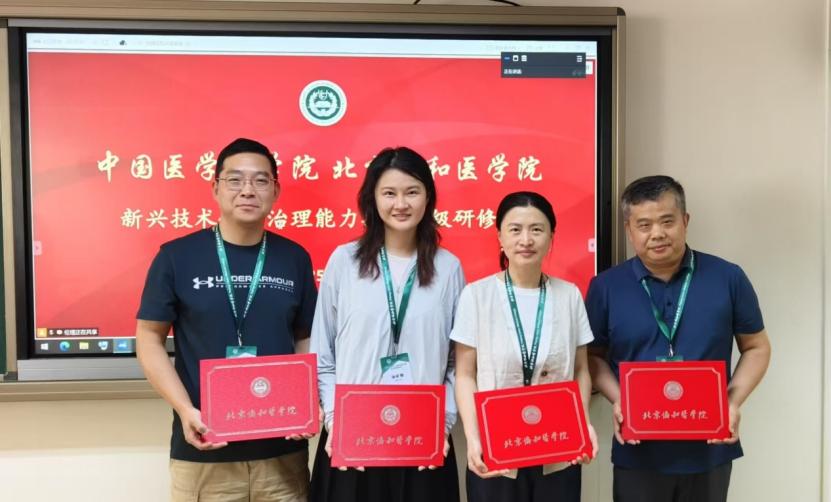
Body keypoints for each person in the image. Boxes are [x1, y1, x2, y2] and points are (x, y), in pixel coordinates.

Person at [136, 137, 317, 502]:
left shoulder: (294, 257)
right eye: (235, 180)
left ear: (276, 190)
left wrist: (306, 400)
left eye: (260, 180)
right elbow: (149, 338)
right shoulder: (176, 256)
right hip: (204, 450)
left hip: (281, 452)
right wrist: (184, 409)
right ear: (215, 188)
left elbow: (305, 336)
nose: (248, 190)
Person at [586, 175, 771, 502]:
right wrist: (620, 400)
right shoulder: (606, 287)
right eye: (644, 225)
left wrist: (731, 402)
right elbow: (592, 356)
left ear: (685, 221)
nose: (657, 233)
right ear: (629, 230)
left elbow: (756, 347)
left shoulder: (728, 277)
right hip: (637, 450)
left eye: (667, 221)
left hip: (710, 448)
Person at [309, 146, 464, 502]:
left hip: (423, 438)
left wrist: (442, 423)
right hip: (353, 438)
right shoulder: (344, 261)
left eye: (412, 192)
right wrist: (335, 420)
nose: (401, 204)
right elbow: (323, 353)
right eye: (389, 193)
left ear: (428, 197)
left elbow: (457, 362)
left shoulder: (448, 268)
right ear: (372, 199)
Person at [453, 191, 597, 502]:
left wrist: (583, 422)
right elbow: (464, 374)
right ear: (500, 237)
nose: (526, 240)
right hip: (495, 452)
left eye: (537, 229)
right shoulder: (476, 296)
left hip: (558, 447)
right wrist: (473, 438)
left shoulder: (569, 295)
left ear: (551, 237)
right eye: (515, 229)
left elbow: (581, 370)